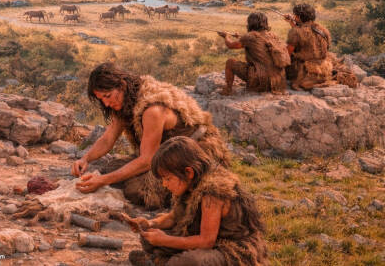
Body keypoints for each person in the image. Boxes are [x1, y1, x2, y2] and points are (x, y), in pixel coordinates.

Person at [72, 63, 230, 209]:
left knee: (136, 190)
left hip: (193, 155)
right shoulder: (125, 101)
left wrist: (103, 181)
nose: (106, 104)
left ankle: (187, 193)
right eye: (102, 99)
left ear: (122, 85)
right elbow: (108, 139)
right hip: (161, 154)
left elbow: (147, 161)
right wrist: (85, 159)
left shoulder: (151, 109)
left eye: (107, 96)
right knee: (110, 169)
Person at [126, 137, 268, 266]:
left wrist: (164, 240)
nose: (164, 184)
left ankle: (160, 262)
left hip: (231, 248)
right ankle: (159, 261)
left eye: (167, 179)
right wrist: (150, 223)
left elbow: (206, 241)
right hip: (209, 245)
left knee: (190, 261)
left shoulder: (212, 193)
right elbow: (174, 217)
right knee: (149, 236)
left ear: (188, 172)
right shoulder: (190, 184)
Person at [219, 12, 289, 95]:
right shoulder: (273, 36)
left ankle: (228, 89)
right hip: (278, 82)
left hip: (260, 81)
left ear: (250, 23)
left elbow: (230, 45)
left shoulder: (249, 37)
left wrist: (226, 36)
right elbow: (259, 41)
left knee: (230, 62)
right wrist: (241, 38)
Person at [285, 4, 332, 89]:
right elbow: (306, 34)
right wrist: (292, 23)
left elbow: (287, 54)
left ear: (298, 17)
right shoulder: (323, 30)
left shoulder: (295, 32)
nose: (294, 17)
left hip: (305, 72)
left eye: (294, 15)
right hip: (324, 70)